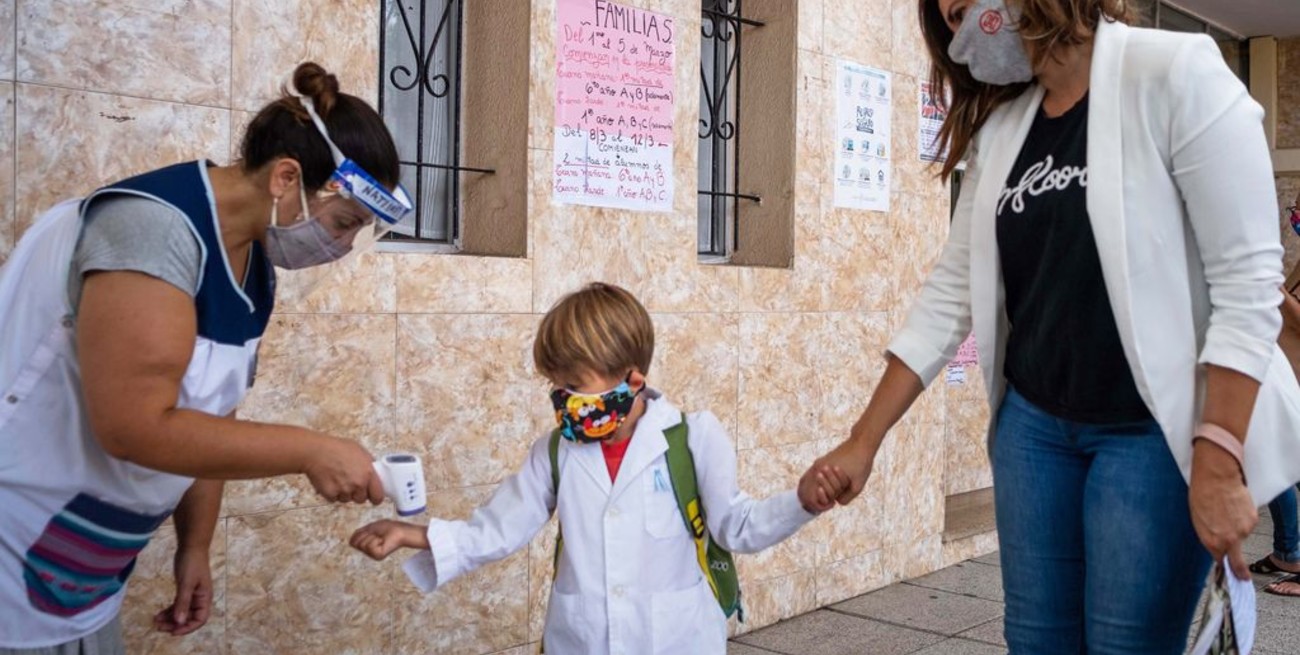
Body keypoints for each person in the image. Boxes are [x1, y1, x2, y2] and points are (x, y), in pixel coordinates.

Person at [796, 0, 1300, 653]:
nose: (961, 33)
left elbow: (1248, 281)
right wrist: (861, 441)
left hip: (1149, 436)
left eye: (964, 7)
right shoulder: (1006, 130)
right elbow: (950, 294)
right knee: (1036, 642)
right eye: (948, 22)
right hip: (1034, 431)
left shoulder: (1175, 72)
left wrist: (1220, 454)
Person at [0, 62, 413, 654]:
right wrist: (311, 450)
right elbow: (134, 425)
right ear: (286, 177)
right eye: (345, 222)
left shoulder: (252, 266)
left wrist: (194, 546)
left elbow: (207, 421)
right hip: (16, 543)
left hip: (83, 571)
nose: (341, 246)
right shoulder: (152, 228)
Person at [350, 282, 847, 655]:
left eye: (574, 383)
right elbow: (498, 530)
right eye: (556, 385)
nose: (563, 398)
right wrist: (411, 534)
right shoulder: (554, 452)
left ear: (632, 379)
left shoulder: (691, 438)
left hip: (676, 639)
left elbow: (737, 527)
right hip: (581, 639)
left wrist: (801, 503)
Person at [1259, 193, 1300, 596]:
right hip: (1285, 376)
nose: (1295, 221)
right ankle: (1287, 552)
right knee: (1278, 461)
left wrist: (1278, 295)